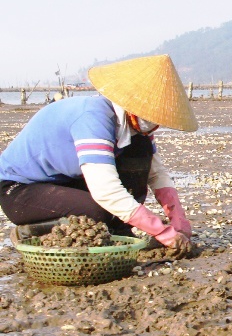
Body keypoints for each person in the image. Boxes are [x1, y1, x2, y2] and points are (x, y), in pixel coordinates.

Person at [0, 54, 197, 256]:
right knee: (98, 211)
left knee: (140, 149)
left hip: (65, 181)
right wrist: (162, 231)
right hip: (20, 190)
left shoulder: (135, 127)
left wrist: (178, 218)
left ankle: (119, 227)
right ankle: (33, 230)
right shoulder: (94, 118)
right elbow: (106, 191)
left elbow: (156, 174)